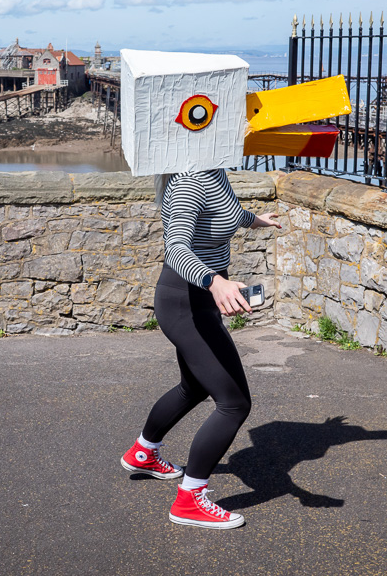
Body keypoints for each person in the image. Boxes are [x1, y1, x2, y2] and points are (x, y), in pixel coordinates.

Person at [120, 168, 281, 529]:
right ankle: (190, 499)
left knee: (193, 387)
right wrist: (214, 281)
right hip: (185, 301)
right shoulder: (189, 183)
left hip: (199, 300)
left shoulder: (215, 173)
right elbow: (176, 248)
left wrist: (255, 220)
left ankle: (144, 452)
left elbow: (226, 211)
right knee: (234, 403)